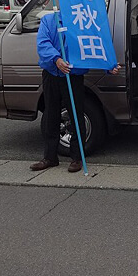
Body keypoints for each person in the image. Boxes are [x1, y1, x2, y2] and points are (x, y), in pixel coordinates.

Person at [31, 11, 120, 173]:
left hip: (73, 76)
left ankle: (77, 158)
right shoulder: (49, 20)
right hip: (52, 74)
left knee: (76, 115)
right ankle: (50, 157)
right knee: (51, 114)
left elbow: (96, 45)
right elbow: (43, 43)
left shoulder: (84, 22)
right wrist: (56, 59)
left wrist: (109, 66)